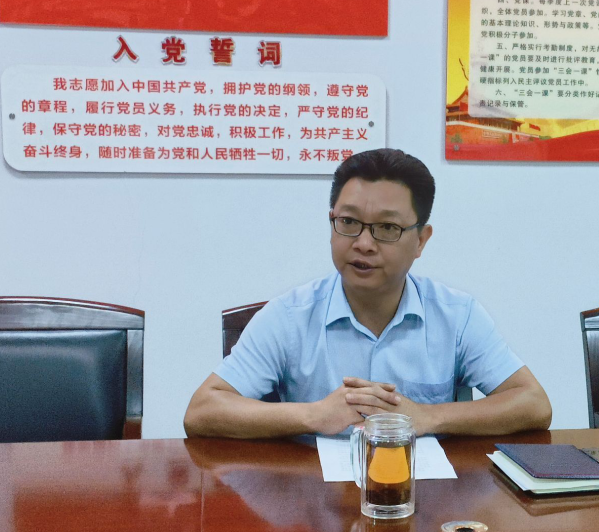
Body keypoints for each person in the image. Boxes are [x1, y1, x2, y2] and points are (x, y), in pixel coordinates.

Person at [185, 148, 552, 438]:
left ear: (421, 241)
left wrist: (428, 417)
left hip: (423, 498)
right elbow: (202, 411)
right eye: (348, 222)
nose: (363, 243)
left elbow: (533, 403)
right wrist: (312, 415)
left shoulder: (456, 315)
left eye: (387, 228)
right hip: (313, 498)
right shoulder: (289, 316)